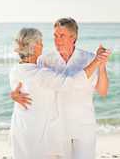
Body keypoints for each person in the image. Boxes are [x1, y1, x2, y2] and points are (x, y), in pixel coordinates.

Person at [10, 19, 111, 159]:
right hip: (56, 129)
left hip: (83, 125)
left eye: (61, 36)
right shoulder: (44, 60)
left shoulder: (89, 58)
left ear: (73, 37)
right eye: (55, 36)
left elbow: (103, 91)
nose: (57, 40)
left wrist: (101, 65)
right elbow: (27, 75)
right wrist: (14, 95)